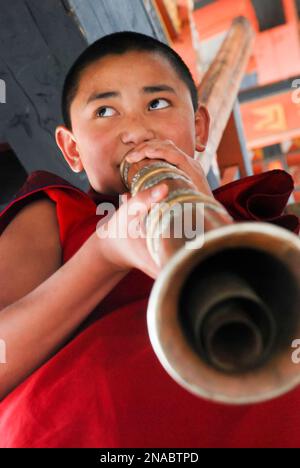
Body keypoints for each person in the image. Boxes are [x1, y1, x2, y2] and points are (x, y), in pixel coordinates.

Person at [0, 31, 299, 448]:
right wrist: (104, 255)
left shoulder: (260, 232)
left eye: (157, 104)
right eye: (105, 111)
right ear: (72, 150)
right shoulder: (56, 213)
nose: (136, 132)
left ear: (198, 127)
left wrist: (211, 215)